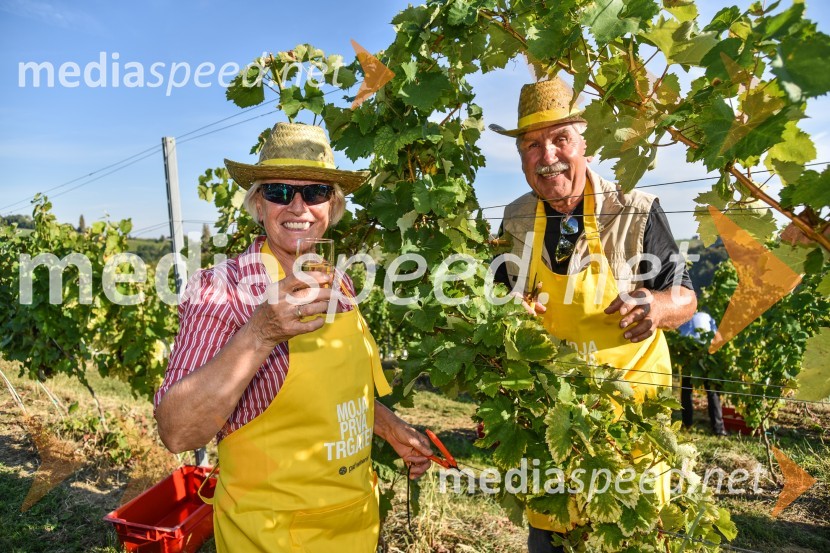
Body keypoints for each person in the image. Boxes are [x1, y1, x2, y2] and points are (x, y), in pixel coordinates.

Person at [154, 122, 433, 552]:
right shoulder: (220, 289)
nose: (298, 205)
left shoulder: (338, 283)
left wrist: (388, 426)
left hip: (355, 525)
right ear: (258, 205)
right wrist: (259, 333)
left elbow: (334, 391)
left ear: (332, 207)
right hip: (269, 537)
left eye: (316, 192)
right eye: (280, 191)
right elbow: (177, 432)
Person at [489, 79, 697, 553]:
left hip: (629, 426)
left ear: (584, 144)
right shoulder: (516, 219)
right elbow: (498, 302)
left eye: (560, 139)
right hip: (555, 426)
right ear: (521, 158)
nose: (548, 156)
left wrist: (655, 306)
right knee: (550, 536)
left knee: (631, 533)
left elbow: (685, 297)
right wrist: (510, 312)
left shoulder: (635, 210)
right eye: (532, 145)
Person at [678, 311, 727, 436]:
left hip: (689, 354)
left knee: (686, 391)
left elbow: (681, 335)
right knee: (712, 392)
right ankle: (719, 429)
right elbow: (717, 336)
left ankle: (686, 424)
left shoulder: (685, 316)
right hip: (707, 353)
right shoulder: (707, 316)